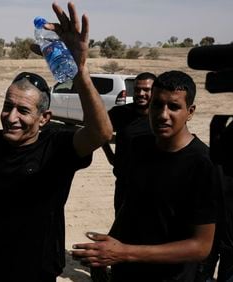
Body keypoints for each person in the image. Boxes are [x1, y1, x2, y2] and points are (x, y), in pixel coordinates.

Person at [0, 2, 113, 281]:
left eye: (23, 110)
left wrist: (80, 71)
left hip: (38, 269)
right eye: (7, 106)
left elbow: (101, 134)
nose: (10, 117)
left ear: (44, 118)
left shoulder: (58, 145)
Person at [72, 70, 217, 282]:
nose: (163, 114)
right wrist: (105, 249)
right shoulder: (140, 147)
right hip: (127, 273)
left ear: (190, 111)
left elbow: (201, 246)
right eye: (157, 105)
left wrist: (124, 253)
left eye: (174, 107)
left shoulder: (203, 164)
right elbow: (130, 207)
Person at [102, 72, 156, 213]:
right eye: (137, 89)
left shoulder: (161, 115)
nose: (141, 93)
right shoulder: (121, 112)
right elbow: (99, 130)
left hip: (154, 186)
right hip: (125, 185)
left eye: (146, 90)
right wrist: (110, 156)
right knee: (121, 231)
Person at [196, 115, 233, 282]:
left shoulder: (214, 161)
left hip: (230, 244)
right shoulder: (213, 162)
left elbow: (216, 124)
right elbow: (216, 124)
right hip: (212, 239)